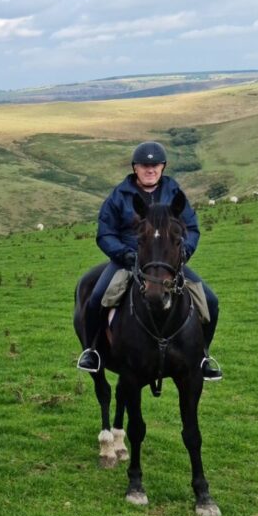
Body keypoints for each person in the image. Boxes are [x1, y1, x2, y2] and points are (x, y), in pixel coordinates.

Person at [77, 141, 221, 379]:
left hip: (166, 263)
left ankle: (203, 356)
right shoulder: (120, 195)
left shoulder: (173, 191)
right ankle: (92, 352)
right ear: (136, 168)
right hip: (126, 258)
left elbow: (192, 228)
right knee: (95, 299)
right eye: (145, 165)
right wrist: (124, 253)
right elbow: (105, 232)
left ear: (163, 167)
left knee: (211, 301)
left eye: (155, 165)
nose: (150, 169)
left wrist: (184, 251)